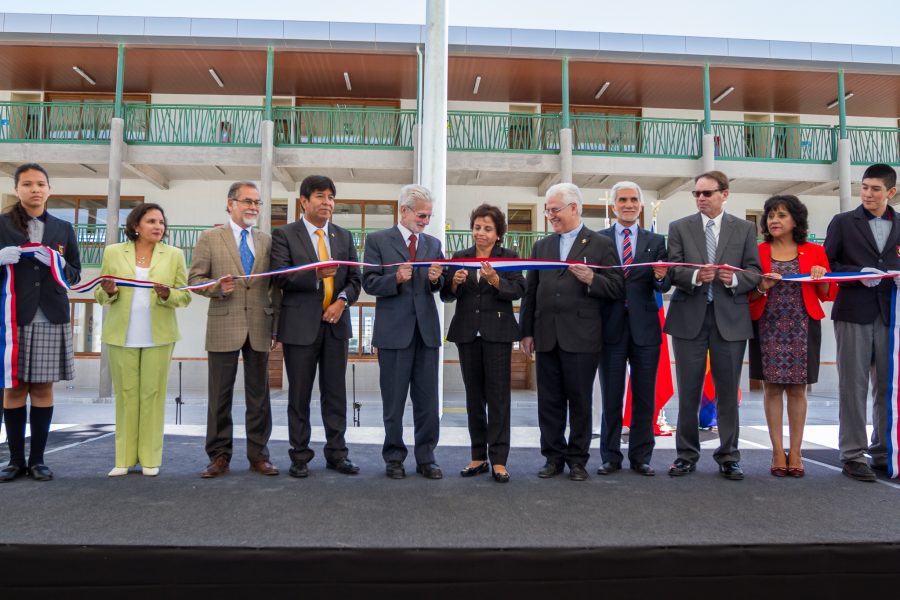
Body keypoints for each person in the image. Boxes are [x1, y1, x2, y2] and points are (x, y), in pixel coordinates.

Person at [519, 183, 623, 481]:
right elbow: (531, 292)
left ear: (574, 208)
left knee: (579, 401)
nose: (550, 215)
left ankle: (578, 460)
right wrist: (526, 332)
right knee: (548, 402)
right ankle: (552, 458)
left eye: (555, 209)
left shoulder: (601, 245)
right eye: (547, 210)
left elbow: (617, 287)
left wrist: (592, 279)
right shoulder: (542, 247)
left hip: (582, 337)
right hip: (546, 336)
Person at [664, 171, 761, 481]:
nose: (701, 198)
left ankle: (729, 456)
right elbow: (672, 268)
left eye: (707, 193)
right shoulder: (679, 228)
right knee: (688, 391)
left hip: (730, 320)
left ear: (725, 194)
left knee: (727, 393)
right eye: (697, 194)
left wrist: (732, 278)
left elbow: (755, 271)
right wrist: (694, 277)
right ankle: (685, 455)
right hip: (688, 319)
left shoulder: (745, 229)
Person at [270, 175, 361, 478]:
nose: (327, 203)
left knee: (335, 394)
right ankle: (299, 456)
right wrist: (317, 275)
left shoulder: (344, 237)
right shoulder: (284, 234)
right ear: (304, 202)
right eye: (320, 196)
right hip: (300, 327)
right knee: (299, 395)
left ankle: (337, 453)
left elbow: (355, 280)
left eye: (331, 197)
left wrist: (343, 301)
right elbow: (280, 276)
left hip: (336, 325)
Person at [188, 181, 280, 479]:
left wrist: (275, 324)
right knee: (220, 396)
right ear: (231, 204)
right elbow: (195, 280)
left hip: (259, 326)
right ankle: (219, 456)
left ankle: (259, 456)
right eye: (247, 201)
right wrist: (216, 287)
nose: (253, 207)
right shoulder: (209, 238)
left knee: (259, 398)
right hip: (223, 323)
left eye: (257, 202)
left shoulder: (267, 240)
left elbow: (275, 287)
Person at [95, 204, 191, 477]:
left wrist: (165, 295)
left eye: (161, 221)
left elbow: (184, 296)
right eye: (151, 221)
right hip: (121, 335)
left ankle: (150, 458)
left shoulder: (174, 255)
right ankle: (123, 459)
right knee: (126, 396)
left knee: (153, 396)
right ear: (136, 225)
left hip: (159, 336)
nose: (158, 226)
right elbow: (100, 296)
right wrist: (109, 291)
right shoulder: (114, 253)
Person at [0, 163, 81, 483]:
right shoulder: (2, 224)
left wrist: (60, 262)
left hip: (50, 315)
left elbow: (73, 275)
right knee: (14, 388)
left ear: (49, 189)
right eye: (28, 184)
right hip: (12, 316)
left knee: (43, 387)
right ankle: (14, 460)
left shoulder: (63, 228)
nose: (35, 189)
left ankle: (38, 460)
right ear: (17, 189)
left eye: (41, 184)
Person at [362, 184, 445, 480]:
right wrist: (395, 278)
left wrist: (437, 280)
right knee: (393, 402)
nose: (425, 221)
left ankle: (427, 458)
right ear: (404, 211)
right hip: (393, 335)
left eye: (429, 216)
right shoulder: (378, 241)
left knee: (428, 402)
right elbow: (368, 282)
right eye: (422, 215)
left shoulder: (434, 244)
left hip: (426, 335)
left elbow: (442, 288)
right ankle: (394, 457)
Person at [749, 195, 835, 478]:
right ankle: (776, 451)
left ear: (796, 220)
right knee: (771, 388)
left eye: (782, 215)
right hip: (767, 325)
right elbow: (747, 294)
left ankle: (795, 451)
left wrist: (821, 277)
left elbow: (827, 294)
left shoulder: (814, 251)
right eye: (771, 215)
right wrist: (762, 285)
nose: (774, 220)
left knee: (798, 390)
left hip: (803, 325)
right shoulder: (757, 251)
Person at [824, 163, 900, 482]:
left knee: (887, 385)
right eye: (864, 187)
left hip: (891, 315)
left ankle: (883, 451)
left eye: (875, 189)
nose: (867, 194)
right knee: (852, 386)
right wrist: (856, 275)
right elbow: (827, 264)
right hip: (854, 310)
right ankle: (852, 454)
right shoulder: (843, 222)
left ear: (891, 192)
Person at [440, 204, 525, 483]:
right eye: (477, 227)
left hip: (498, 333)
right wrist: (454, 282)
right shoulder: (460, 256)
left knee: (499, 398)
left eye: (487, 228)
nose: (481, 233)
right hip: (467, 333)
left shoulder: (509, 257)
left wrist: (496, 279)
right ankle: (478, 456)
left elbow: (518, 290)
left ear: (497, 233)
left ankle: (499, 460)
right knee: (473, 398)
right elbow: (446, 295)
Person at [596, 181, 669, 477]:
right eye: (622, 200)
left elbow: (661, 284)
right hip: (610, 328)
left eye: (634, 199)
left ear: (640, 204)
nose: (628, 204)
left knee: (644, 396)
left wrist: (663, 278)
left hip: (645, 329)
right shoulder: (599, 240)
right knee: (611, 396)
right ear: (614, 205)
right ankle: (610, 456)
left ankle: (641, 457)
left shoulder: (656, 240)